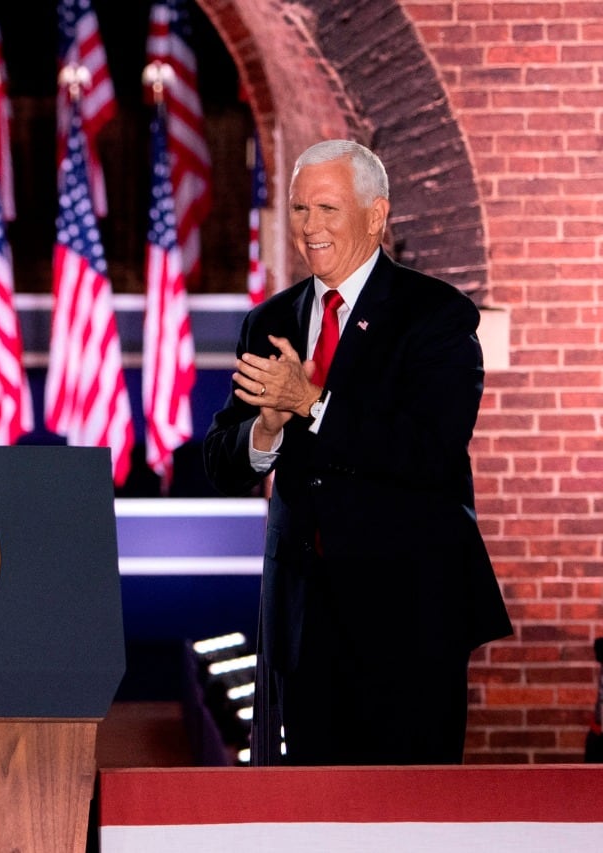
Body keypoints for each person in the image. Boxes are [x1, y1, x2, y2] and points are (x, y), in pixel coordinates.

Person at [203, 139, 511, 766]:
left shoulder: (435, 313)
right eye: (298, 210)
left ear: (376, 216)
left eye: (327, 209)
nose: (310, 228)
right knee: (318, 813)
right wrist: (266, 431)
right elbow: (219, 459)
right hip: (304, 619)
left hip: (410, 616)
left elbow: (430, 449)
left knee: (409, 815)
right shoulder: (270, 321)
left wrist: (312, 404)